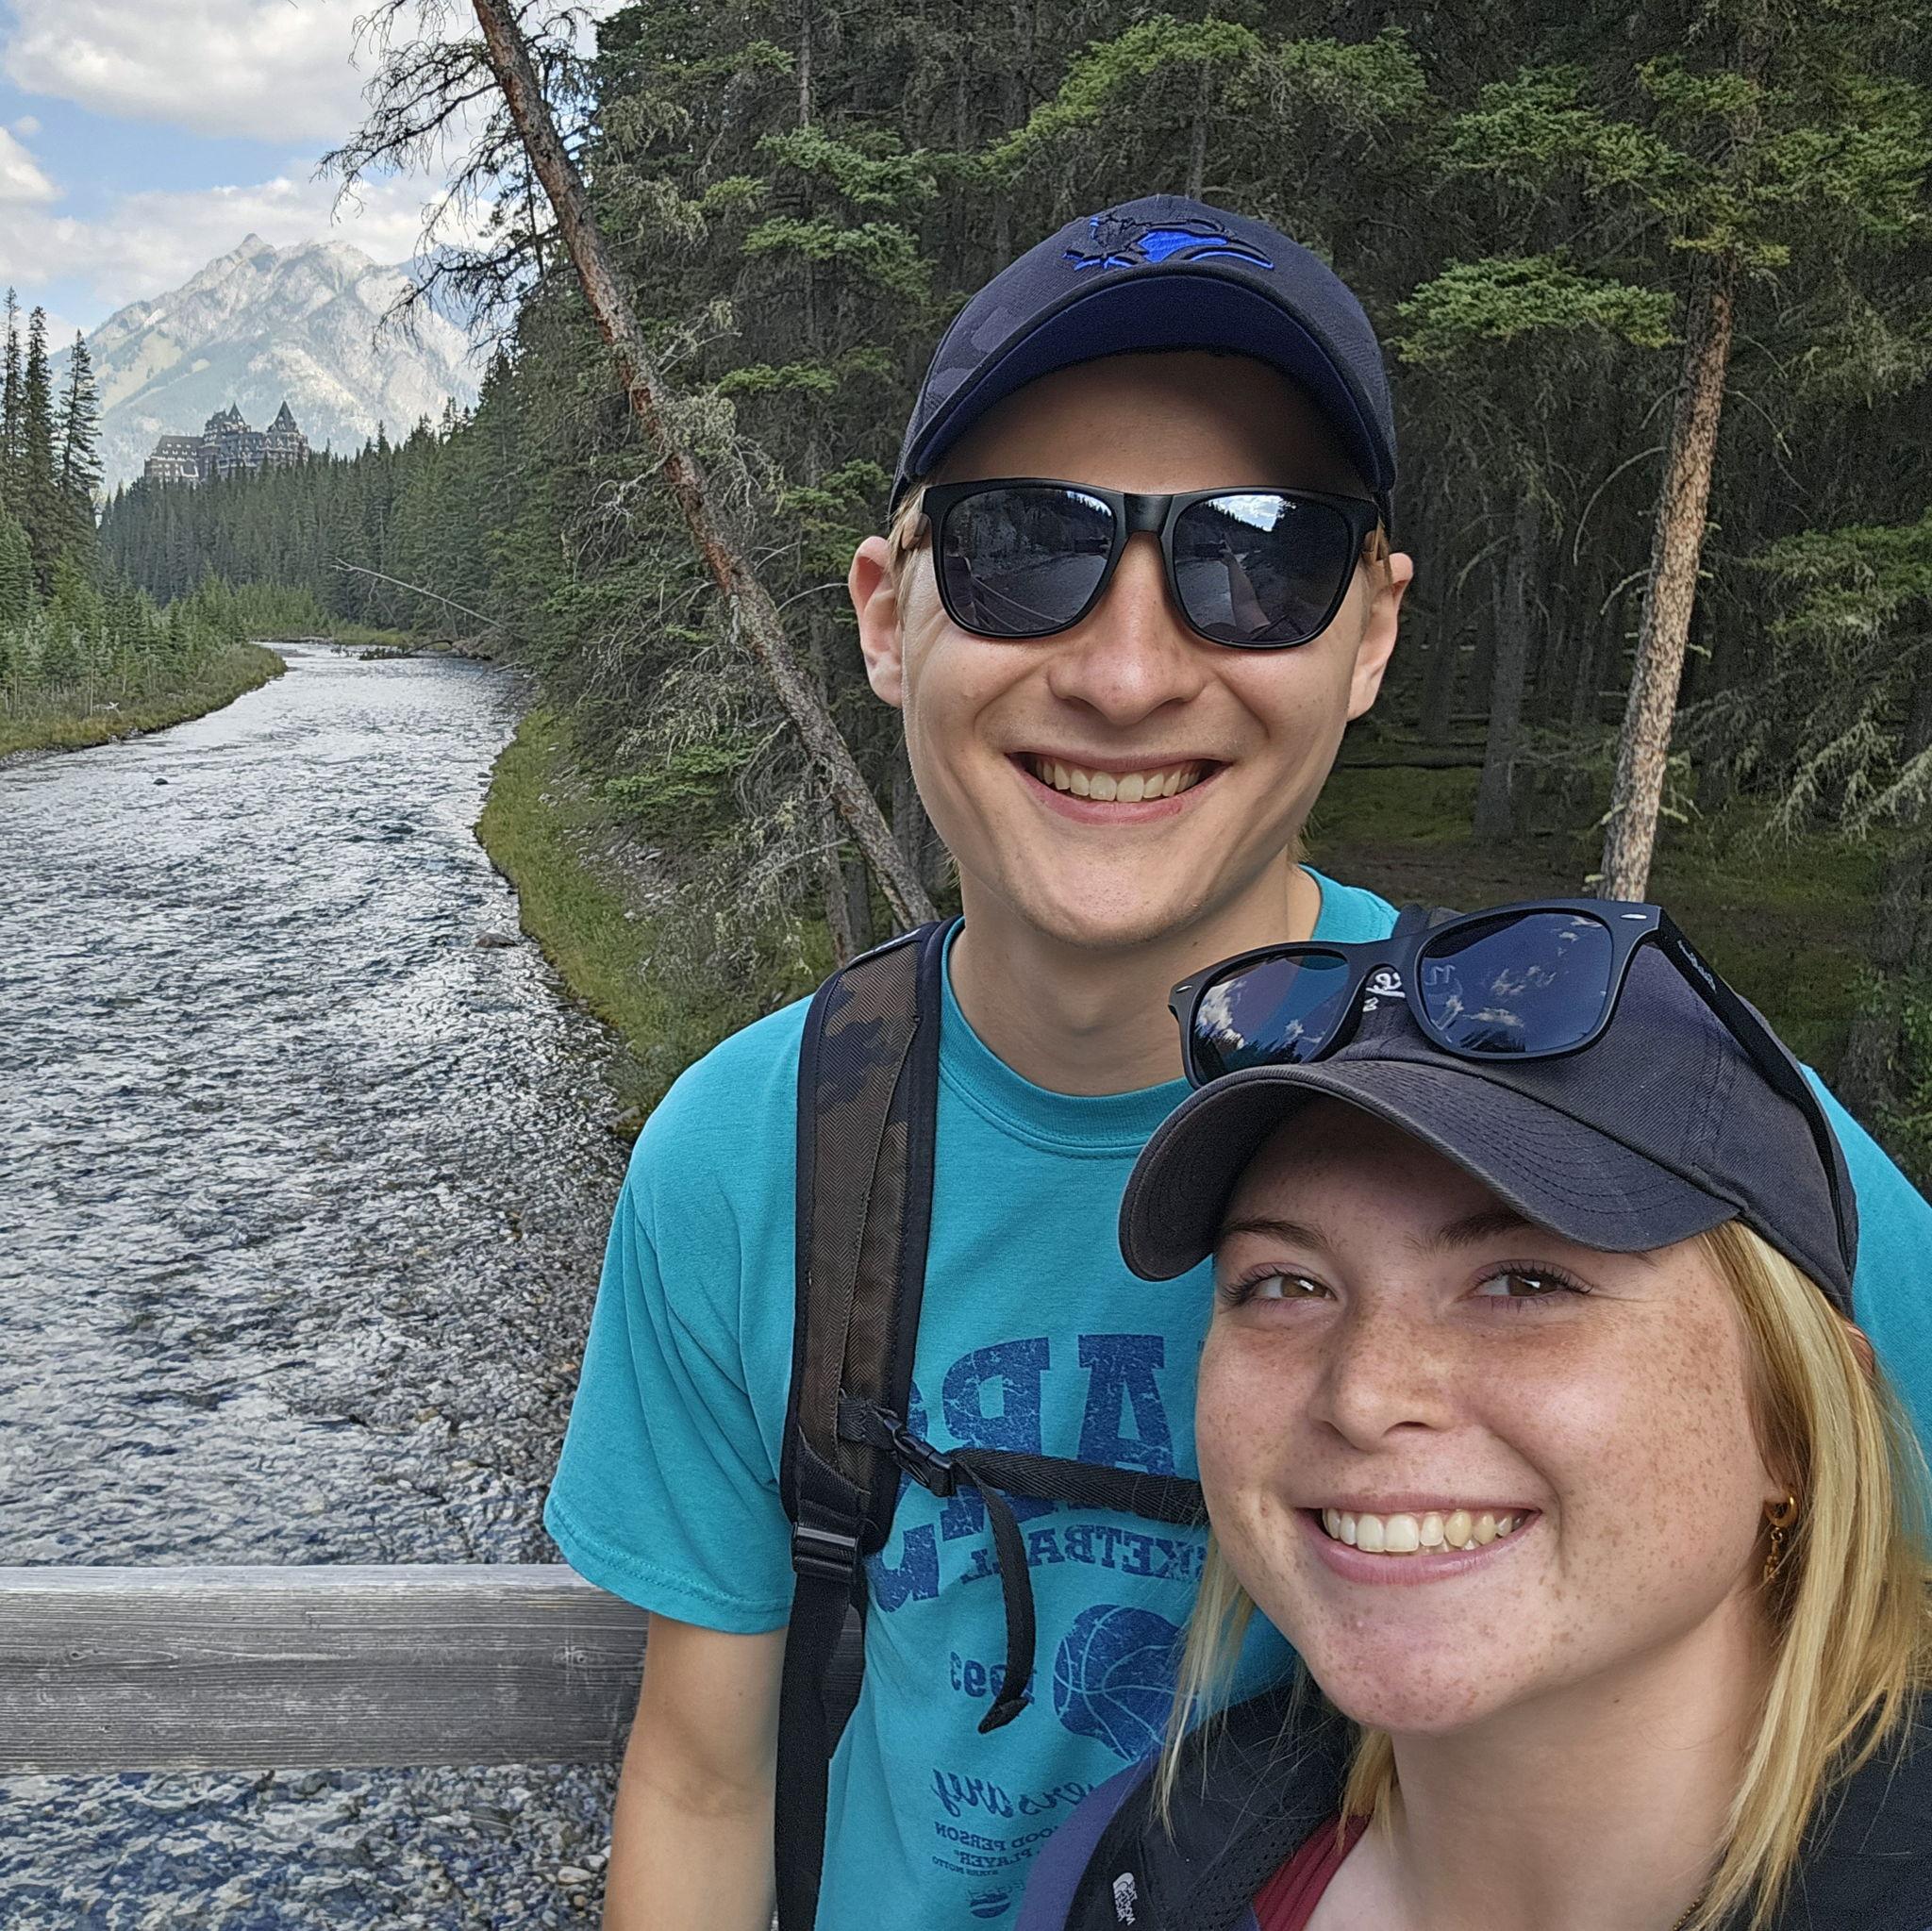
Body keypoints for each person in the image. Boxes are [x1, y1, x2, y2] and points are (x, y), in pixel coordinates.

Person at [543, 195, 1932, 1931]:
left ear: (1369, 635)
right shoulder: (750, 1155)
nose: (1129, 673)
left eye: (1256, 561)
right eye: (1023, 547)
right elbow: (701, 1775)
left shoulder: (1630, 1104)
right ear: (889, 617)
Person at [1019, 904, 1932, 1930]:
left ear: (1789, 1427)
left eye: (1525, 1282)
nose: (1364, 1396)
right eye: (1284, 1284)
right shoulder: (1125, 1868)